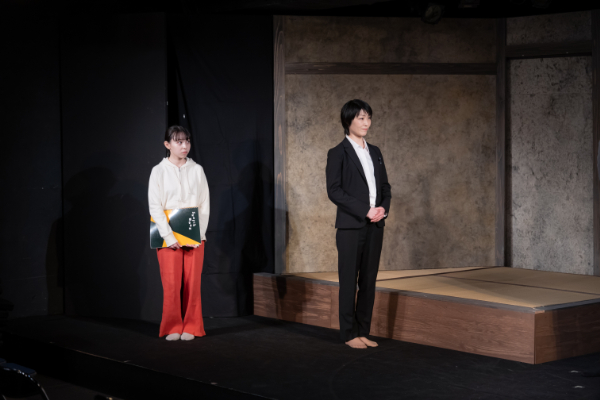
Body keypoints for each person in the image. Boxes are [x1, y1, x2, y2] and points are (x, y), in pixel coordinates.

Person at [326, 99, 391, 349]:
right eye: (361, 118)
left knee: (368, 280)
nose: (367, 123)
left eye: (368, 118)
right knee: (348, 280)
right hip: (351, 227)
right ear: (348, 120)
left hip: (375, 225)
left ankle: (363, 330)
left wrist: (382, 209)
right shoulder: (337, 152)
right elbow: (334, 191)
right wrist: (365, 210)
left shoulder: (375, 151)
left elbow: (385, 187)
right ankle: (348, 333)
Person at [148, 125, 210, 341]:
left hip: (194, 235)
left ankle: (192, 326)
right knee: (171, 284)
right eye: (179, 141)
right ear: (167, 144)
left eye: (187, 141)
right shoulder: (158, 171)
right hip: (167, 235)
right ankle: (172, 326)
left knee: (192, 284)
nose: (185, 146)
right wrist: (169, 236)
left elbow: (204, 204)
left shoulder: (197, 170)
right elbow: (155, 206)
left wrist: (198, 234)